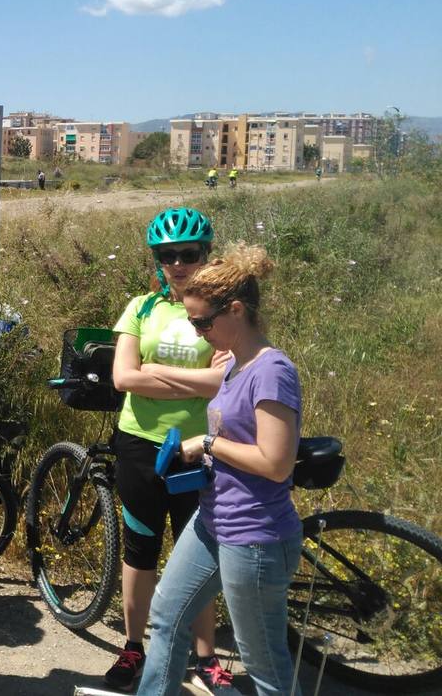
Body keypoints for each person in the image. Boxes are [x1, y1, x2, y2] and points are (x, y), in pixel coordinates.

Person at [139, 245, 302, 696]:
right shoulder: (233, 363)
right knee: (167, 617)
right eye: (192, 323)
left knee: (264, 663)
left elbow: (275, 463)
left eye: (203, 322)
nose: (198, 331)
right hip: (214, 519)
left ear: (235, 310)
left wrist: (209, 443)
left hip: (254, 536)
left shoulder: (271, 371)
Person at [102, 207, 229, 692]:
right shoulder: (142, 308)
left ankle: (205, 656)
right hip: (139, 444)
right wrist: (195, 384)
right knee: (141, 550)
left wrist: (157, 376)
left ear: (205, 255)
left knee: (200, 552)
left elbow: (223, 381)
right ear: (157, 258)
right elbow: (123, 377)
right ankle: (134, 647)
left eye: (188, 254)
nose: (178, 263)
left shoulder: (217, 311)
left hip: (200, 448)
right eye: (167, 255)